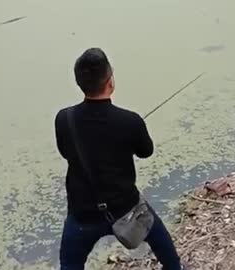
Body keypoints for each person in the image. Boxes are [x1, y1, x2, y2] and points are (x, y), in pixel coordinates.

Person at [54, 48, 186, 270]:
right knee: (159, 238)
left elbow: (66, 152)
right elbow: (146, 151)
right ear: (110, 81)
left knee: (69, 263)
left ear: (79, 83)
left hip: (82, 213)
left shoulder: (64, 119)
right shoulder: (130, 121)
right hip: (126, 207)